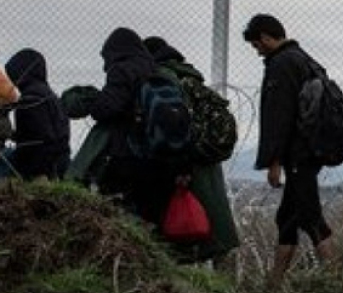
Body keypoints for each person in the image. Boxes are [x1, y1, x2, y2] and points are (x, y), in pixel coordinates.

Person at [243, 14, 335, 291]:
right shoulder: (304, 59)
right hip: (312, 149)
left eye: (258, 44)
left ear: (268, 37)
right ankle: (274, 284)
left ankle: (334, 280)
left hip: (298, 154)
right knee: (288, 217)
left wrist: (274, 162)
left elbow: (279, 117)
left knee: (310, 216)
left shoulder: (282, 65)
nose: (257, 50)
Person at [142, 36, 241, 265]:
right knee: (211, 230)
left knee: (179, 233)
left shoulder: (163, 81)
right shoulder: (192, 80)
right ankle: (223, 292)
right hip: (206, 161)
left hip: (182, 165)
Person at [63, 27, 173, 224]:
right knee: (150, 218)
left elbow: (106, 108)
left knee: (121, 213)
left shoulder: (123, 69)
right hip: (157, 156)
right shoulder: (156, 70)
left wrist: (93, 101)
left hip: (126, 153)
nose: (105, 65)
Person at [1, 48, 70, 181]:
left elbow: (35, 142)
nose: (14, 82)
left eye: (13, 75)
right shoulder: (47, 94)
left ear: (22, 72)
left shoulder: (31, 99)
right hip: (59, 162)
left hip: (39, 167)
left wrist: (34, 175)